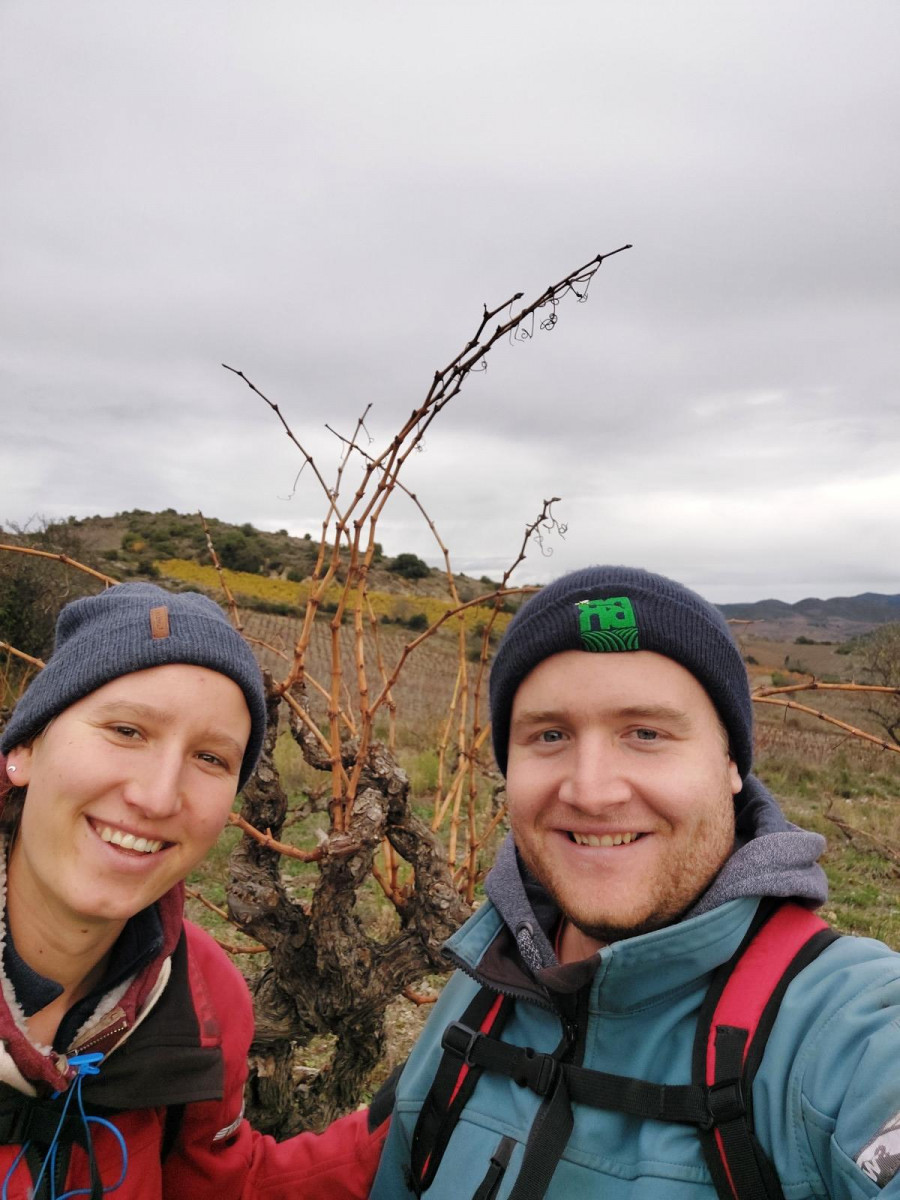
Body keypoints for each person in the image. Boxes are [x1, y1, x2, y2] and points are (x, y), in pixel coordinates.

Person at [370, 566, 900, 1199]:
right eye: (550, 735)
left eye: (646, 734)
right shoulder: (481, 988)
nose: (591, 791)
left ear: (731, 764)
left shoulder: (846, 1029)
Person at [0, 583, 385, 1199]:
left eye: (210, 758)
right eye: (126, 730)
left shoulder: (202, 995)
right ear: (23, 747)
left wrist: (406, 1131)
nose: (156, 797)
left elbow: (219, 1184)